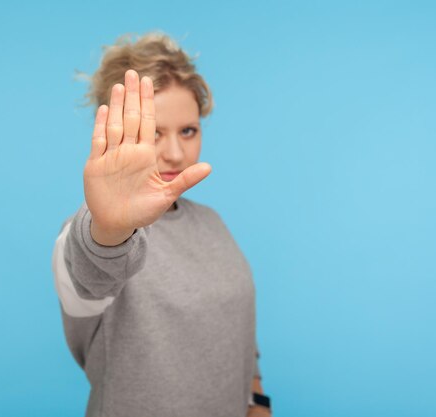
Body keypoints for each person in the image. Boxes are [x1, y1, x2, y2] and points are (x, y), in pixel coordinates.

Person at [51, 32, 272, 417]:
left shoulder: (210, 222)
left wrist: (257, 402)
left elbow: (237, 333)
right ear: (118, 131)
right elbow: (91, 271)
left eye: (188, 131)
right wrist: (109, 228)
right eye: (154, 133)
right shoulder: (92, 232)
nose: (174, 153)